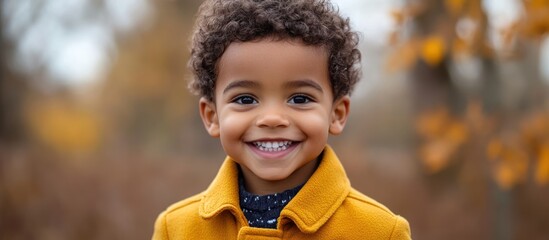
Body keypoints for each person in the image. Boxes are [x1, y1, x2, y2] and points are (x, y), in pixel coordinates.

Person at [152, 0, 411, 239]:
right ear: (212, 117)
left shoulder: (380, 232)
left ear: (337, 114)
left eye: (299, 99)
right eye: (245, 99)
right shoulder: (176, 229)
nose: (272, 119)